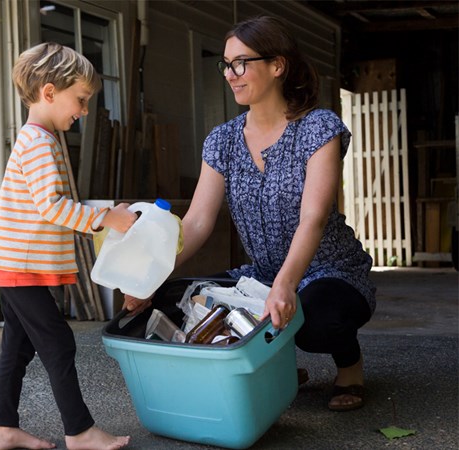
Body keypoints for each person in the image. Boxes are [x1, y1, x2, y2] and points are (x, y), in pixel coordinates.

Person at [124, 16, 376, 412]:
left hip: (330, 271)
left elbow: (313, 216)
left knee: (314, 320)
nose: (230, 74)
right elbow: (198, 221)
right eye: (226, 64)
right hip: (261, 273)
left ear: (278, 66)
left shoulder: (318, 128)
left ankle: (349, 365)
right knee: (177, 297)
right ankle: (275, 367)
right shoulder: (222, 140)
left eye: (240, 63)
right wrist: (149, 277)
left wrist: (286, 284)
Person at [0, 42, 135, 450]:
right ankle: (81, 431)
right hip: (19, 268)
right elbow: (51, 206)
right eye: (81, 100)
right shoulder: (38, 143)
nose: (84, 111)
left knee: (16, 348)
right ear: (50, 92)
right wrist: (105, 218)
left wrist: (103, 218)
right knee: (57, 343)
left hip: (13, 265)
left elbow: (49, 206)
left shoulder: (42, 138)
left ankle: (3, 428)